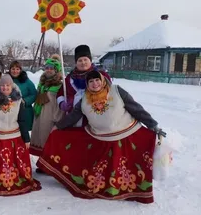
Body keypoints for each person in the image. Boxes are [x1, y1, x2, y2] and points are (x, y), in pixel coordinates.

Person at [37, 70, 165, 204]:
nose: (94, 83)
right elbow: (73, 116)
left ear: (102, 80)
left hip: (127, 135)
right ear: (87, 84)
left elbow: (136, 109)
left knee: (130, 170)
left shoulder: (117, 91)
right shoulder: (84, 99)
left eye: (97, 80)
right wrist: (59, 126)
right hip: (100, 139)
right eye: (91, 81)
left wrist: (153, 125)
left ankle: (131, 191)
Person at [57, 45, 111, 126]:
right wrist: (62, 103)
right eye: (80, 60)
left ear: (90, 60)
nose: (83, 62)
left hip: (96, 120)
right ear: (76, 63)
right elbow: (60, 93)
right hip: (72, 120)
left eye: (85, 59)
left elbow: (110, 93)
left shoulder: (101, 76)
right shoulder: (69, 78)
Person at [29, 56, 64, 158]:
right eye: (47, 68)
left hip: (51, 115)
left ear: (56, 70)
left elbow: (60, 103)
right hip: (40, 114)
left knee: (48, 138)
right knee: (40, 138)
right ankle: (42, 161)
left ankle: (48, 163)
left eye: (51, 68)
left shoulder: (60, 85)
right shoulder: (42, 83)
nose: (48, 70)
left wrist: (57, 118)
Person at [8, 61, 37, 131]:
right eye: (13, 69)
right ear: (10, 70)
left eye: (17, 69)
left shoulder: (26, 81)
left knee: (23, 133)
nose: (15, 71)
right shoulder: (6, 79)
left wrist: (25, 101)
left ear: (20, 70)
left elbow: (34, 94)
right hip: (9, 111)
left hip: (24, 111)